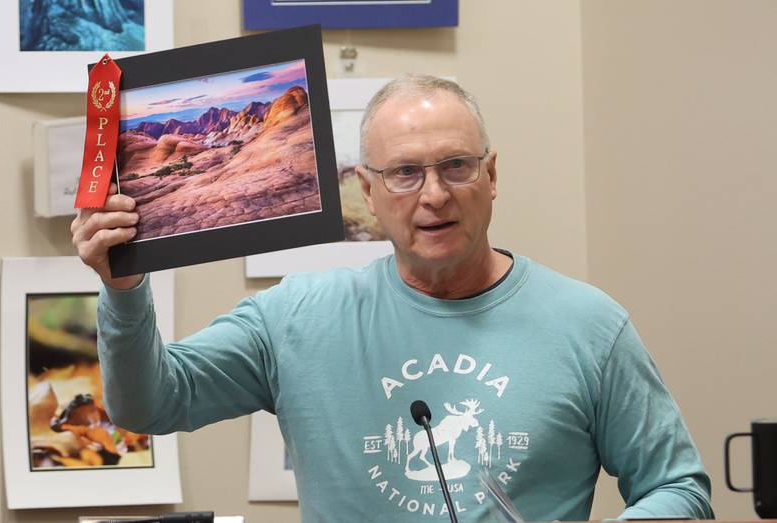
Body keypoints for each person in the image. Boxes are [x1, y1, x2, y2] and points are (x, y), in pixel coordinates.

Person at [71, 75, 713, 522]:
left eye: (457, 165)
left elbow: (679, 487)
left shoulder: (589, 325)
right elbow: (148, 403)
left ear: (492, 177)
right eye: (405, 173)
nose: (433, 194)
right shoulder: (293, 317)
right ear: (368, 193)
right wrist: (123, 286)